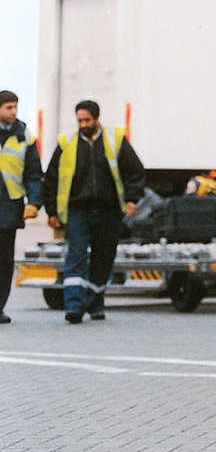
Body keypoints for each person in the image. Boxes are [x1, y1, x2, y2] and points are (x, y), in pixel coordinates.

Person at [41, 100, 145, 324]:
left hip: (108, 210)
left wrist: (132, 199)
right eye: (80, 120)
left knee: (103, 259)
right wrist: (51, 211)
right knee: (76, 256)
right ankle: (74, 307)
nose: (83, 124)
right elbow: (51, 178)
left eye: (87, 120)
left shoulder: (114, 139)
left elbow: (134, 171)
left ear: (97, 119)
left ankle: (95, 303)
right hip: (78, 209)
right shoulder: (67, 142)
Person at [0, 91, 44, 325]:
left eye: (15, 107)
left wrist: (35, 202)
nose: (14, 112)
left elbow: (33, 173)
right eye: (8, 107)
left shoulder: (24, 136)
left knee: (4, 262)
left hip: (9, 207)